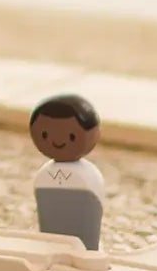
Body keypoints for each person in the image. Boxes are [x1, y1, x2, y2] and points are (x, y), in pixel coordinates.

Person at [28, 93, 105, 250]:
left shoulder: (87, 177)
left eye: (71, 136)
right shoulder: (44, 175)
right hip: (52, 246)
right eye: (45, 135)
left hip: (84, 248)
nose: (57, 141)